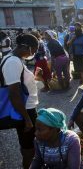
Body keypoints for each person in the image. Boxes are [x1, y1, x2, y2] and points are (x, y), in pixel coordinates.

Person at [1, 34, 39, 168]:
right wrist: (27, 119)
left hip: (27, 108)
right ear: (26, 47)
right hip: (25, 110)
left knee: (29, 144)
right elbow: (14, 94)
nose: (33, 54)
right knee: (28, 147)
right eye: (33, 50)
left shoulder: (15, 59)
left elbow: (20, 84)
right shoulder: (13, 62)